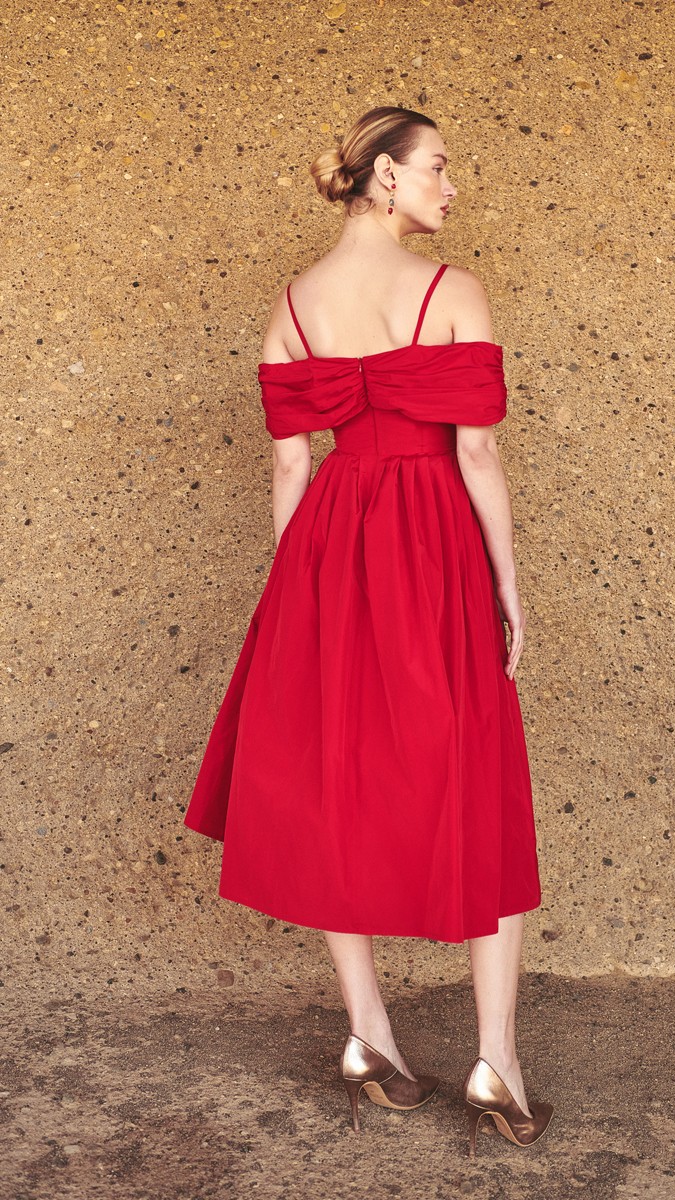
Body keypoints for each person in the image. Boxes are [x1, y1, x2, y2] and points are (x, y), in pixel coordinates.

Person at [183, 105, 552, 1155]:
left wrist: (298, 597)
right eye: (436, 167)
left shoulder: (293, 307)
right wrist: (507, 584)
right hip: (431, 543)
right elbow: (475, 454)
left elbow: (292, 464)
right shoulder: (451, 293)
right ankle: (496, 1064)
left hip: (326, 554)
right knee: (472, 782)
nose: (450, 186)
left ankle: (369, 1041)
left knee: (332, 785)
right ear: (383, 177)